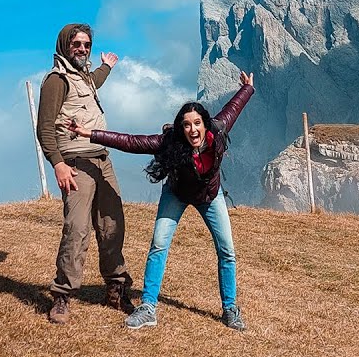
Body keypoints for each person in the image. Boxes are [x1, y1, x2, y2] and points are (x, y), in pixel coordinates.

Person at [70, 71, 255, 331]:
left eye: (197, 123)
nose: (193, 129)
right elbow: (131, 142)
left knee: (227, 251)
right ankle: (147, 307)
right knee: (159, 245)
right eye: (187, 125)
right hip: (176, 194)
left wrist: (248, 89)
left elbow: (233, 108)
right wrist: (90, 133)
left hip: (210, 197)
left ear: (205, 124)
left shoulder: (219, 130)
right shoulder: (170, 143)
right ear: (181, 127)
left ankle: (230, 309)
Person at [36, 23, 133, 324]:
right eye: (77, 44)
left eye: (87, 45)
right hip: (76, 164)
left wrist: (106, 67)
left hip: (102, 161)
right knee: (77, 229)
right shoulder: (56, 80)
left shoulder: (83, 77)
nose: (82, 49)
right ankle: (62, 295)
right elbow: (44, 128)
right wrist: (58, 163)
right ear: (65, 45)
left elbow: (93, 83)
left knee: (112, 224)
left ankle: (115, 288)